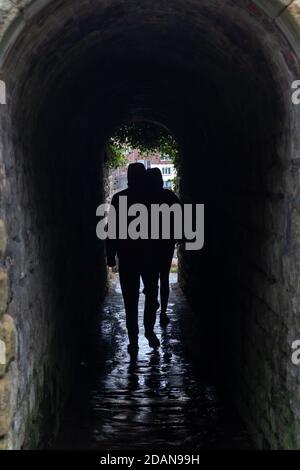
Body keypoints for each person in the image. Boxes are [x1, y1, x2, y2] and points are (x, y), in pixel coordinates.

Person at [106, 163, 160, 354]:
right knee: (152, 295)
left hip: (128, 256)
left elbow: (112, 230)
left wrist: (110, 255)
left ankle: (133, 340)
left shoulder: (119, 199)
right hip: (150, 256)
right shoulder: (153, 199)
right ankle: (149, 329)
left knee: (130, 300)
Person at [146, 168, 181, 326]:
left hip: (148, 244)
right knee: (164, 277)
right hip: (166, 242)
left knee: (150, 276)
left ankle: (153, 300)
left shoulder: (143, 198)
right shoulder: (169, 196)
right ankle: (163, 312)